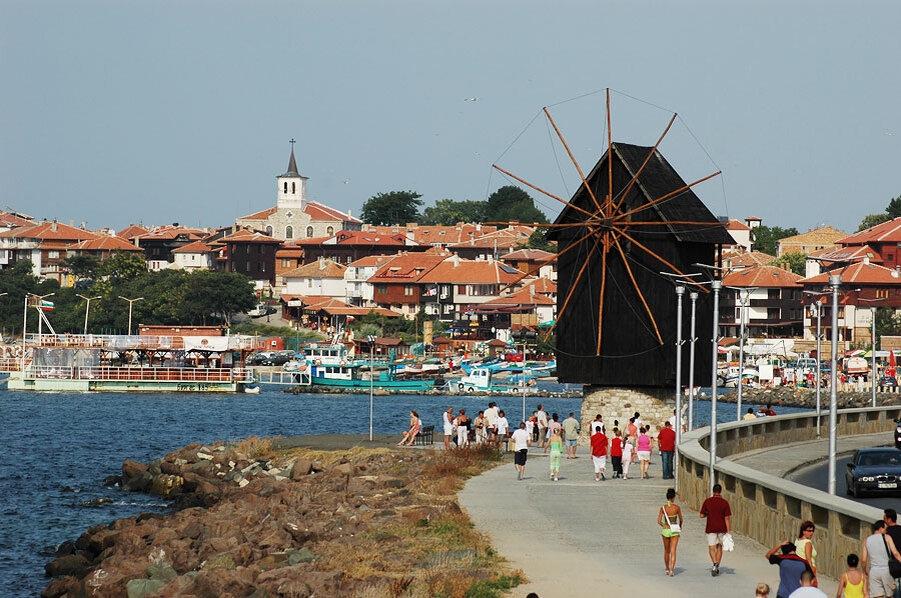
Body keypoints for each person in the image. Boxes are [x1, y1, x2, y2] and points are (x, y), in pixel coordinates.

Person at [862, 520, 901, 598]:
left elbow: (863, 560)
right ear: (880, 528)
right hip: (886, 571)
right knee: (889, 595)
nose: (886, 531)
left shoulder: (867, 540)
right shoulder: (887, 537)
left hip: (874, 572)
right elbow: (896, 554)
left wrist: (864, 571)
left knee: (877, 596)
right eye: (885, 529)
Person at [700, 483, 731, 576]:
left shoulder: (707, 501)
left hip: (711, 527)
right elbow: (727, 518)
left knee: (711, 548)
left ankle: (715, 563)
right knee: (719, 547)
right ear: (720, 492)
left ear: (713, 491)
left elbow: (701, 515)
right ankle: (717, 564)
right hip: (722, 528)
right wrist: (728, 530)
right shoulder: (725, 503)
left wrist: (707, 514)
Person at [658, 487, 683, 576]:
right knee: (673, 551)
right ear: (673, 497)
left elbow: (659, 521)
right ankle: (672, 569)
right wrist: (679, 527)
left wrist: (664, 525)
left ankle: (667, 569)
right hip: (674, 530)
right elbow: (681, 519)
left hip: (666, 530)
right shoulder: (677, 508)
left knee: (666, 551)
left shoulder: (663, 508)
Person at [794, 521, 818, 586]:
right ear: (803, 531)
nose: (811, 533)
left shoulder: (797, 540)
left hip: (799, 567)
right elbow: (808, 559)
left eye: (812, 531)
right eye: (809, 531)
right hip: (809, 568)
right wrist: (812, 574)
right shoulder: (808, 543)